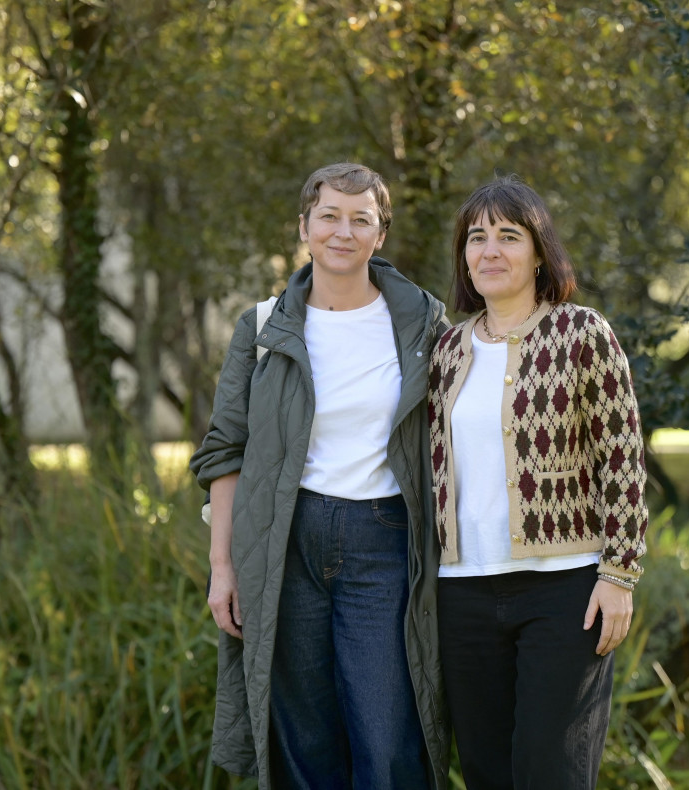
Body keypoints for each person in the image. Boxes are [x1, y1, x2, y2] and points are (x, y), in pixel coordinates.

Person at [189, 163, 451, 789]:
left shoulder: (422, 325)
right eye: (329, 216)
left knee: (387, 740)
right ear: (303, 226)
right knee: (302, 741)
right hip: (284, 541)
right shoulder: (261, 327)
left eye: (361, 219)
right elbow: (225, 451)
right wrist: (223, 568)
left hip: (384, 541)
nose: (343, 231)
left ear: (380, 234)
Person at [427, 176, 648, 789]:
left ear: (538, 250)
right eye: (476, 237)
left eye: (508, 236)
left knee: (551, 772)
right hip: (463, 592)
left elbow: (622, 460)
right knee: (486, 772)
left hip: (564, 595)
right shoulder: (447, 350)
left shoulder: (582, 334)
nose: (489, 251)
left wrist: (619, 575)